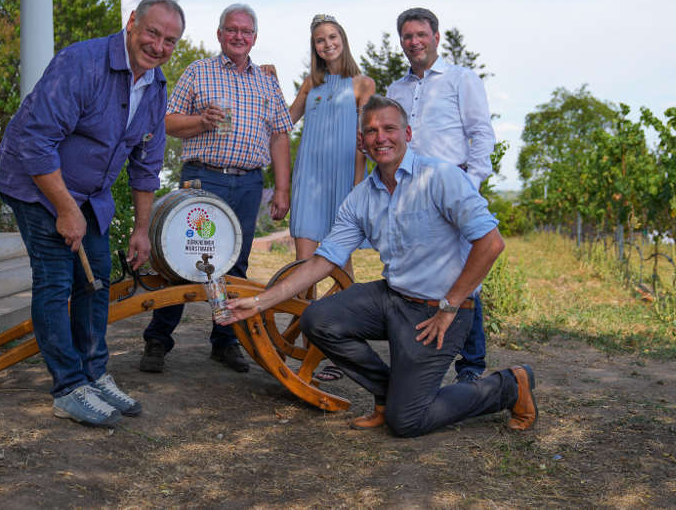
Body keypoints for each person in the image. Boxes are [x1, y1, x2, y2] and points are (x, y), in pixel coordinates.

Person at [223, 95, 537, 437]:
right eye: (371, 131)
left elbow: (491, 244)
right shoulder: (361, 196)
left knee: (407, 422)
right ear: (362, 141)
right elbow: (324, 260)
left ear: (408, 133)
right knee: (319, 318)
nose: (380, 137)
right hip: (393, 298)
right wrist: (258, 302)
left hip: (438, 310)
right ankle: (388, 394)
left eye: (389, 128)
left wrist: (450, 306)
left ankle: (508, 386)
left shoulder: (440, 177)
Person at [0, 0, 184, 428]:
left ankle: (95, 374)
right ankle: (68, 387)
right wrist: (65, 209)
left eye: (169, 40)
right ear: (132, 22)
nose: (158, 46)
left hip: (89, 195)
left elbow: (146, 164)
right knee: (57, 281)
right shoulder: (81, 63)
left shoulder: (155, 87)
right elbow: (36, 142)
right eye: (152, 33)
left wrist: (141, 229)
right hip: (35, 183)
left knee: (97, 281)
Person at [140, 3, 293, 374]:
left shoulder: (267, 81)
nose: (239, 36)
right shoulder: (198, 72)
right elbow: (166, 122)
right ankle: (158, 341)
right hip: (203, 177)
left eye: (246, 31)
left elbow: (279, 136)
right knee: (181, 258)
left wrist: (283, 189)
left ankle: (226, 343)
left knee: (235, 266)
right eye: (232, 29)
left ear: (254, 37)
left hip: (248, 181)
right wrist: (199, 120)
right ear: (220, 34)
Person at [387, 7, 497, 385]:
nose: (414, 42)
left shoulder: (461, 79)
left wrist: (472, 183)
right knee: (419, 275)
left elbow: (482, 134)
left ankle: (471, 368)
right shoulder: (395, 91)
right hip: (410, 195)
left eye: (420, 34)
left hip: (452, 192)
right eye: (407, 36)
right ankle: (422, 359)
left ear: (436, 37)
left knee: (465, 274)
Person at [287, 14, 374, 382]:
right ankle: (308, 354)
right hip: (308, 179)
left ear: (343, 40)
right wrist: (265, 79)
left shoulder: (363, 84)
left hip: (344, 182)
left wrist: (357, 187)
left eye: (333, 37)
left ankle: (341, 349)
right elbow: (284, 120)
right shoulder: (311, 84)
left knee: (340, 268)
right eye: (320, 40)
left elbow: (363, 138)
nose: (327, 44)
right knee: (304, 265)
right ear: (315, 48)